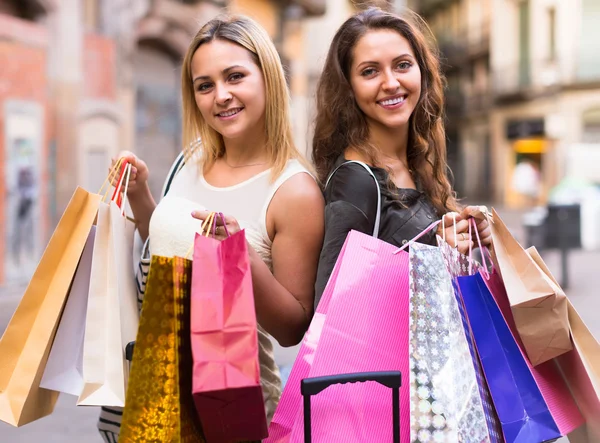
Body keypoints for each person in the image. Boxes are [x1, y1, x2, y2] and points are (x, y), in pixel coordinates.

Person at [99, 14, 324, 442]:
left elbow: (293, 326)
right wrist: (141, 195)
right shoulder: (192, 158)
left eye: (235, 76)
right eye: (205, 85)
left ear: (268, 78)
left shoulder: (294, 190)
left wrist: (239, 255)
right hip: (158, 384)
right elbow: (165, 251)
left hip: (229, 402)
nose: (221, 96)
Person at [312, 7, 492, 307]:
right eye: (370, 71)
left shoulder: (420, 161)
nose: (391, 82)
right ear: (348, 88)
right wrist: (434, 257)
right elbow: (332, 307)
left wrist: (469, 235)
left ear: (421, 71)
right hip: (387, 355)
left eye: (402, 65)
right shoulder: (355, 180)